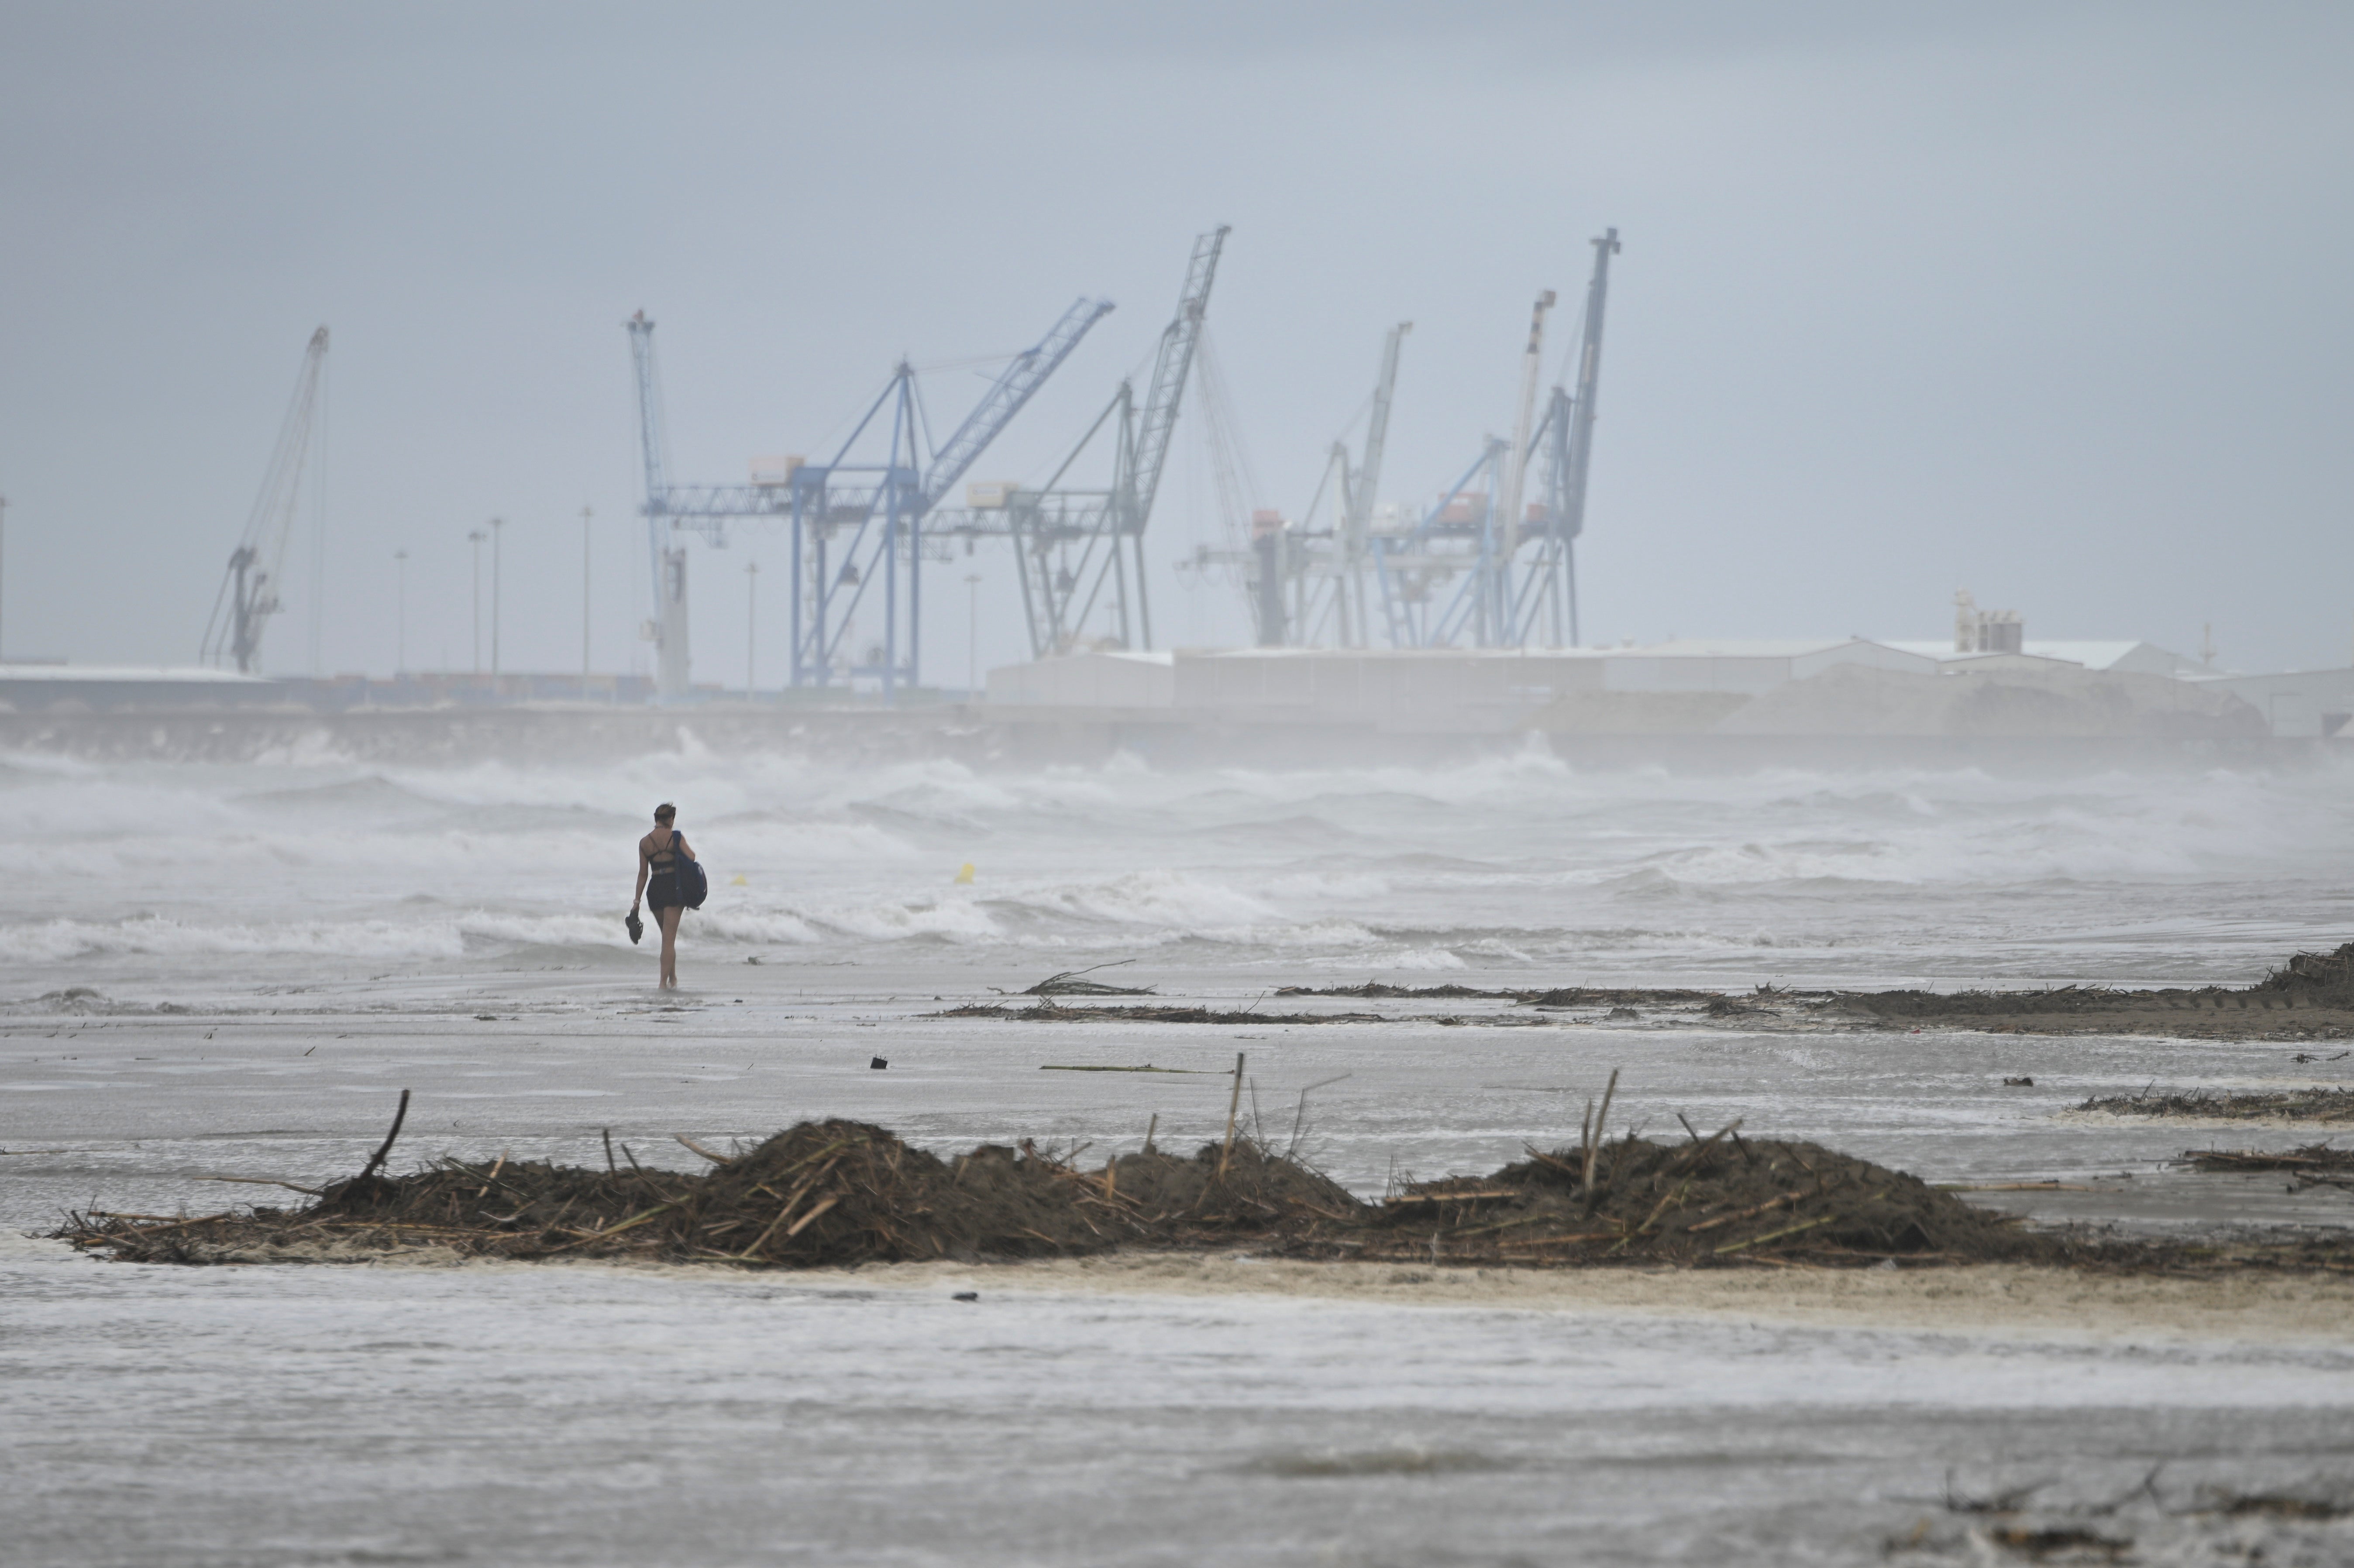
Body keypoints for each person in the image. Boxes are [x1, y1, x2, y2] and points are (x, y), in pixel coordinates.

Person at [632, 803, 698, 989]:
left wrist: (637, 902)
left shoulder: (645, 842)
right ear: (670, 819)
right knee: (668, 940)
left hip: (655, 890)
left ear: (656, 819)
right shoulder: (675, 837)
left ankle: (673, 979)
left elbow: (643, 874)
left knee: (667, 939)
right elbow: (692, 857)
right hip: (673, 889)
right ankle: (662, 984)